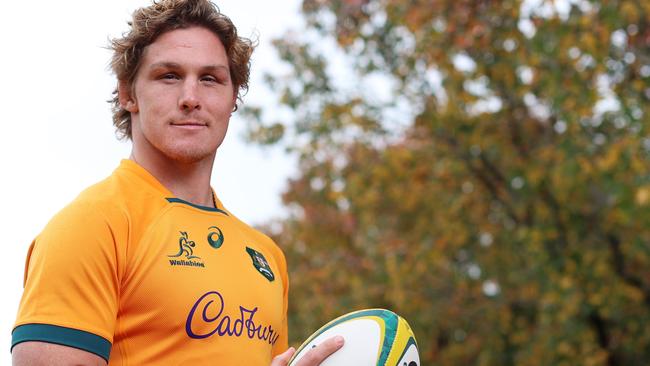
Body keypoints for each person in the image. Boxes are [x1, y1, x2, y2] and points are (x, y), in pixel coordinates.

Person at [10, 0, 343, 365]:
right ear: (128, 94)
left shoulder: (267, 257)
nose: (190, 98)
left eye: (210, 79)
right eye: (169, 76)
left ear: (233, 98)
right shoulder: (92, 225)